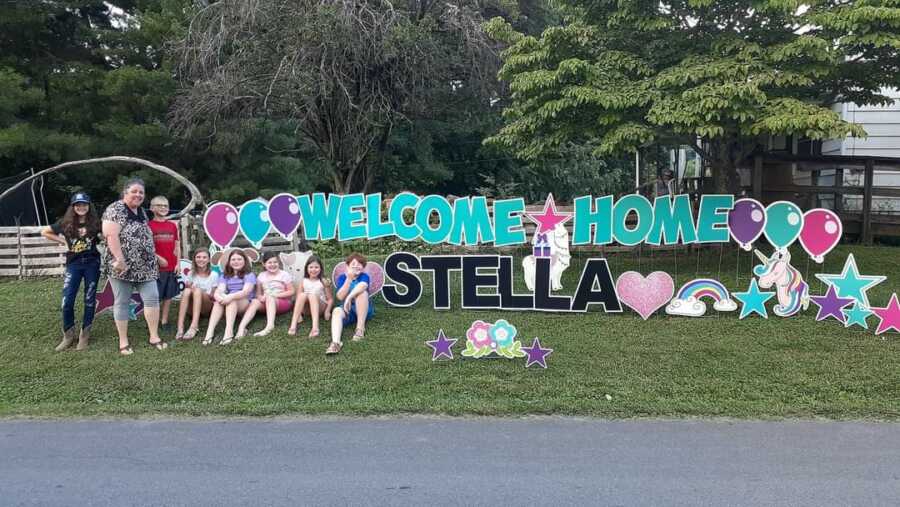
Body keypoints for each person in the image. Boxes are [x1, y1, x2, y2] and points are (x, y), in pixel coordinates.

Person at [102, 178, 165, 355]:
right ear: (125, 192)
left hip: (146, 267)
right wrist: (120, 260)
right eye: (134, 191)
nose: (138, 195)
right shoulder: (115, 209)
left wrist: (156, 257)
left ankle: (154, 336)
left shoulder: (141, 212)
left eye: (141, 192)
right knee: (122, 301)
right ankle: (123, 341)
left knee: (152, 298)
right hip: (122, 267)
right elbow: (111, 236)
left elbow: (144, 238)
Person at [42, 192, 103, 351]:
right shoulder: (66, 222)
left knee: (89, 300)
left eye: (84, 204)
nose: (81, 207)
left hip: (92, 264)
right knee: (67, 301)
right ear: (73, 206)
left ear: (89, 206)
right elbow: (45, 231)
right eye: (78, 205)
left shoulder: (96, 223)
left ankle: (84, 335)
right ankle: (68, 335)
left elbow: (106, 235)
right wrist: (63, 240)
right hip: (74, 265)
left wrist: (103, 238)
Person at [204, 249, 256, 346]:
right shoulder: (225, 275)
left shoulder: (249, 274)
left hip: (244, 303)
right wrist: (217, 296)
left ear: (245, 261)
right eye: (233, 259)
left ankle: (228, 332)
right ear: (229, 262)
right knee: (217, 302)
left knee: (231, 301)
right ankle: (209, 332)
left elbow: (245, 292)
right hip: (229, 302)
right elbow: (220, 289)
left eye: (239, 259)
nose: (236, 262)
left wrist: (230, 296)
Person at [237, 251, 295, 338]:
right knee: (255, 301)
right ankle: (241, 328)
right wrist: (261, 298)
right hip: (267, 302)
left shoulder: (284, 274)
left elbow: (291, 291)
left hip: (282, 303)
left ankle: (270, 326)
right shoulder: (261, 276)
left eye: (275, 262)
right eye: (269, 262)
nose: (273, 264)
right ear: (264, 264)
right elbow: (258, 294)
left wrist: (275, 296)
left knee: (270, 298)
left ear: (278, 263)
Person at [326, 253, 374, 355]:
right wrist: (348, 279)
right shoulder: (342, 278)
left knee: (362, 294)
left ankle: (360, 329)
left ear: (363, 267)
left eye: (360, 264)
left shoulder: (364, 276)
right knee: (336, 310)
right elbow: (339, 297)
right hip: (348, 311)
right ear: (347, 266)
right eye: (353, 263)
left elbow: (363, 285)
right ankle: (336, 342)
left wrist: (349, 297)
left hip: (363, 310)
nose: (356, 266)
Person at [148, 196, 179, 332]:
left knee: (168, 295)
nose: (163, 208)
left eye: (165, 206)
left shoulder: (172, 225)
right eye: (159, 205)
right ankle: (153, 320)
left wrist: (178, 263)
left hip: (172, 266)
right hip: (156, 269)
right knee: (156, 296)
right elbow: (146, 248)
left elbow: (177, 246)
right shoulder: (148, 226)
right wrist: (157, 258)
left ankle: (164, 321)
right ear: (152, 208)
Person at [175, 247, 218, 341]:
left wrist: (199, 291)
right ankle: (180, 326)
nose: (201, 259)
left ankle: (194, 326)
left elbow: (213, 296)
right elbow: (187, 294)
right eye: (198, 257)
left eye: (204, 257)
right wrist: (189, 287)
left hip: (207, 306)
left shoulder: (214, 275)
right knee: (186, 291)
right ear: (194, 259)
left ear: (208, 260)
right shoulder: (191, 273)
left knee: (197, 290)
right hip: (192, 308)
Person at [288, 255, 333, 338]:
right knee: (302, 295)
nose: (313, 270)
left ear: (320, 269)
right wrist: (300, 315)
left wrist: (327, 311)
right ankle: (293, 324)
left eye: (316, 267)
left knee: (312, 295)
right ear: (307, 268)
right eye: (311, 267)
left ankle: (315, 327)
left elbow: (330, 299)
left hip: (320, 308)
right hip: (307, 310)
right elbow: (298, 299)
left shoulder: (323, 281)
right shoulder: (303, 281)